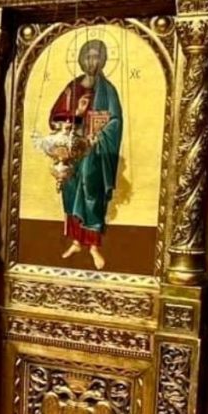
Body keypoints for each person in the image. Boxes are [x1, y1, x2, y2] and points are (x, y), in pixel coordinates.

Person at [49, 39, 123, 270]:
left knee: (92, 192)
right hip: (73, 150)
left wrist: (98, 135)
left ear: (102, 61)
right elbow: (54, 118)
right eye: (88, 57)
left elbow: (115, 121)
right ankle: (75, 241)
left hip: (95, 153)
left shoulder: (108, 90)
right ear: (82, 59)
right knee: (70, 192)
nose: (92, 61)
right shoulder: (72, 88)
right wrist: (78, 113)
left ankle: (93, 246)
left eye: (96, 57)